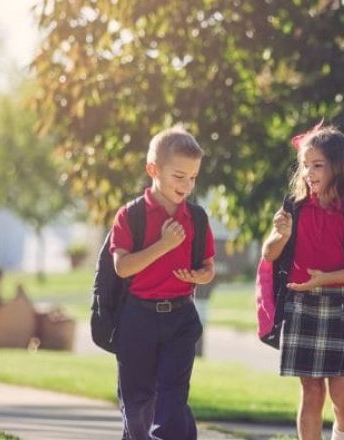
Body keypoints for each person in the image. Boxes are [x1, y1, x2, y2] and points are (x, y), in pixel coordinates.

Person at [261, 123, 344, 440]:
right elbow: (269, 253)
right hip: (301, 304)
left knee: (342, 398)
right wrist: (280, 235)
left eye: (317, 165)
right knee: (312, 393)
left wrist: (325, 280)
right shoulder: (293, 208)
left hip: (340, 307)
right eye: (305, 165)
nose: (309, 173)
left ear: (338, 167)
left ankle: (342, 432)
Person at [109, 125, 215, 439]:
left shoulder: (197, 218)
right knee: (137, 402)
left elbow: (208, 266)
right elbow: (123, 267)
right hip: (137, 318)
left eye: (193, 177)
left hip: (181, 318)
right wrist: (164, 245)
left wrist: (201, 275)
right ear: (153, 170)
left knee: (172, 399)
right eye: (178, 176)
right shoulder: (131, 216)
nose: (187, 185)